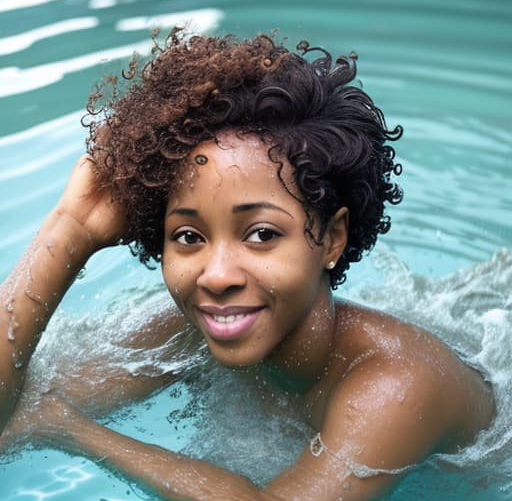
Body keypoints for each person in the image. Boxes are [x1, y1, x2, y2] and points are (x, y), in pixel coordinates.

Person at [0, 30, 495, 500]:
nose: (216, 276)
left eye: (262, 234)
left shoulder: (401, 383)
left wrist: (74, 430)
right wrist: (71, 228)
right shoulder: (187, 330)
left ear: (331, 238)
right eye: (189, 236)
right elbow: (15, 405)